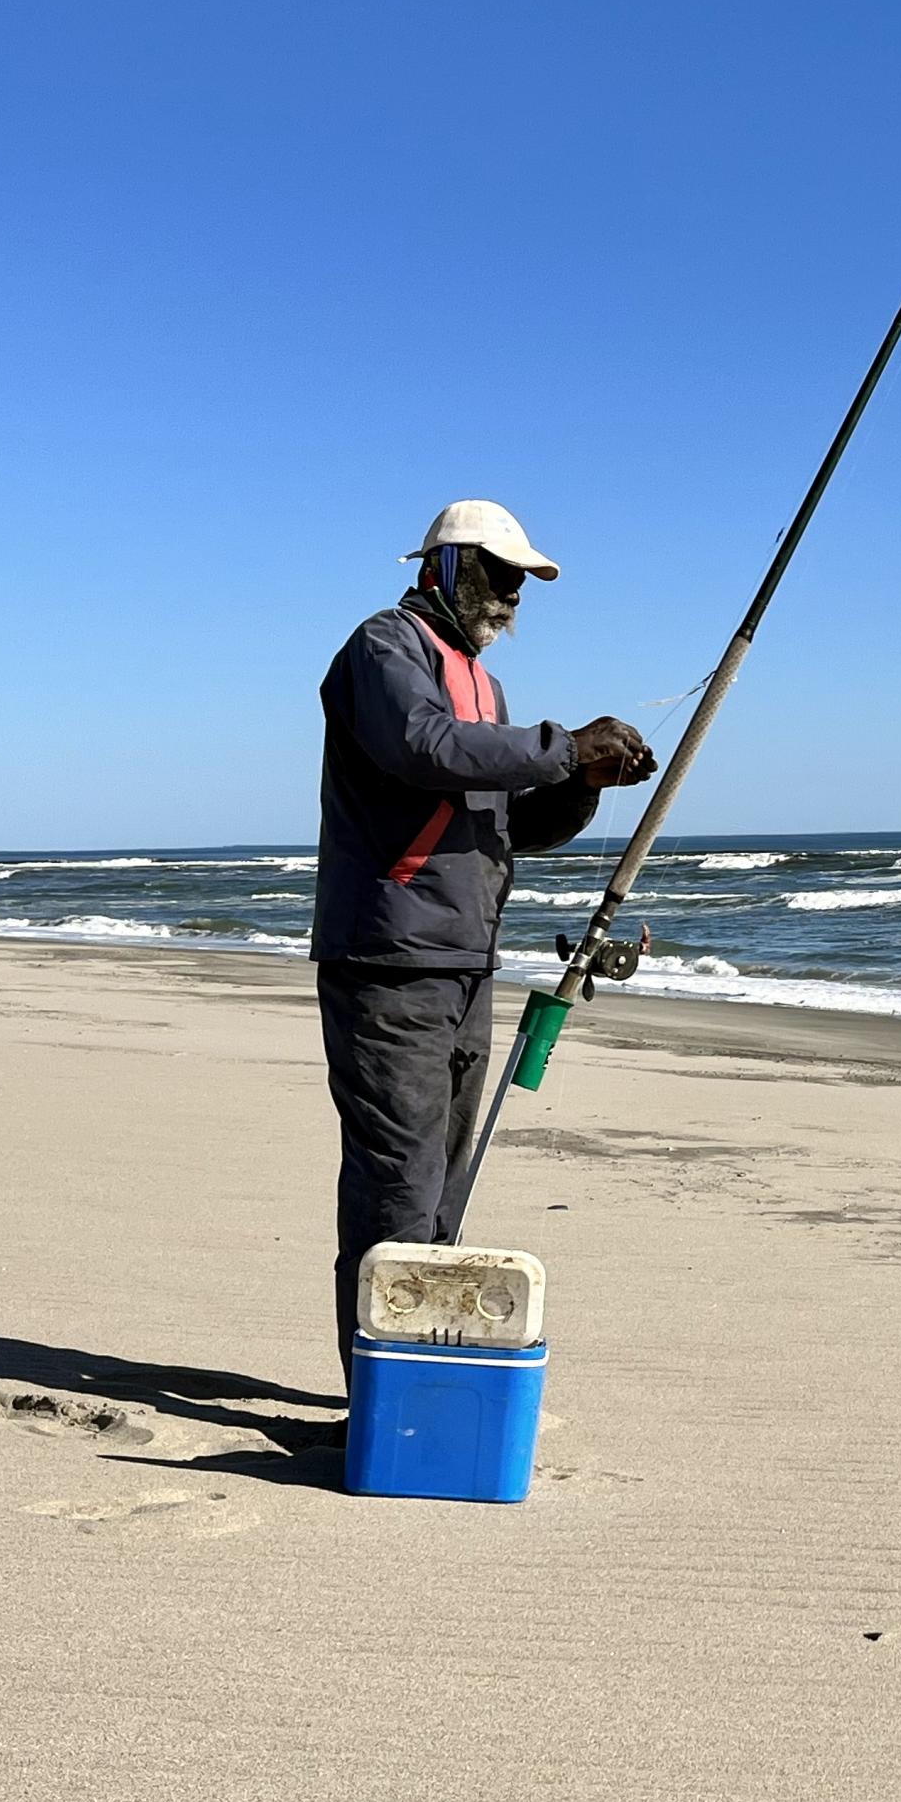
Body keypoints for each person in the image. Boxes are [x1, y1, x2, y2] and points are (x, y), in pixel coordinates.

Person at [311, 500, 656, 1376]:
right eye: (499, 574)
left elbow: (506, 818)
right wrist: (561, 744)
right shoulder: (383, 649)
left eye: (522, 582)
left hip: (466, 963)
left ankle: (417, 1358)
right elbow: (425, 748)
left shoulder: (483, 683)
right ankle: (380, 1382)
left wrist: (582, 779)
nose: (511, 595)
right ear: (447, 566)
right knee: (399, 1176)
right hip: (389, 960)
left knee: (444, 1182)